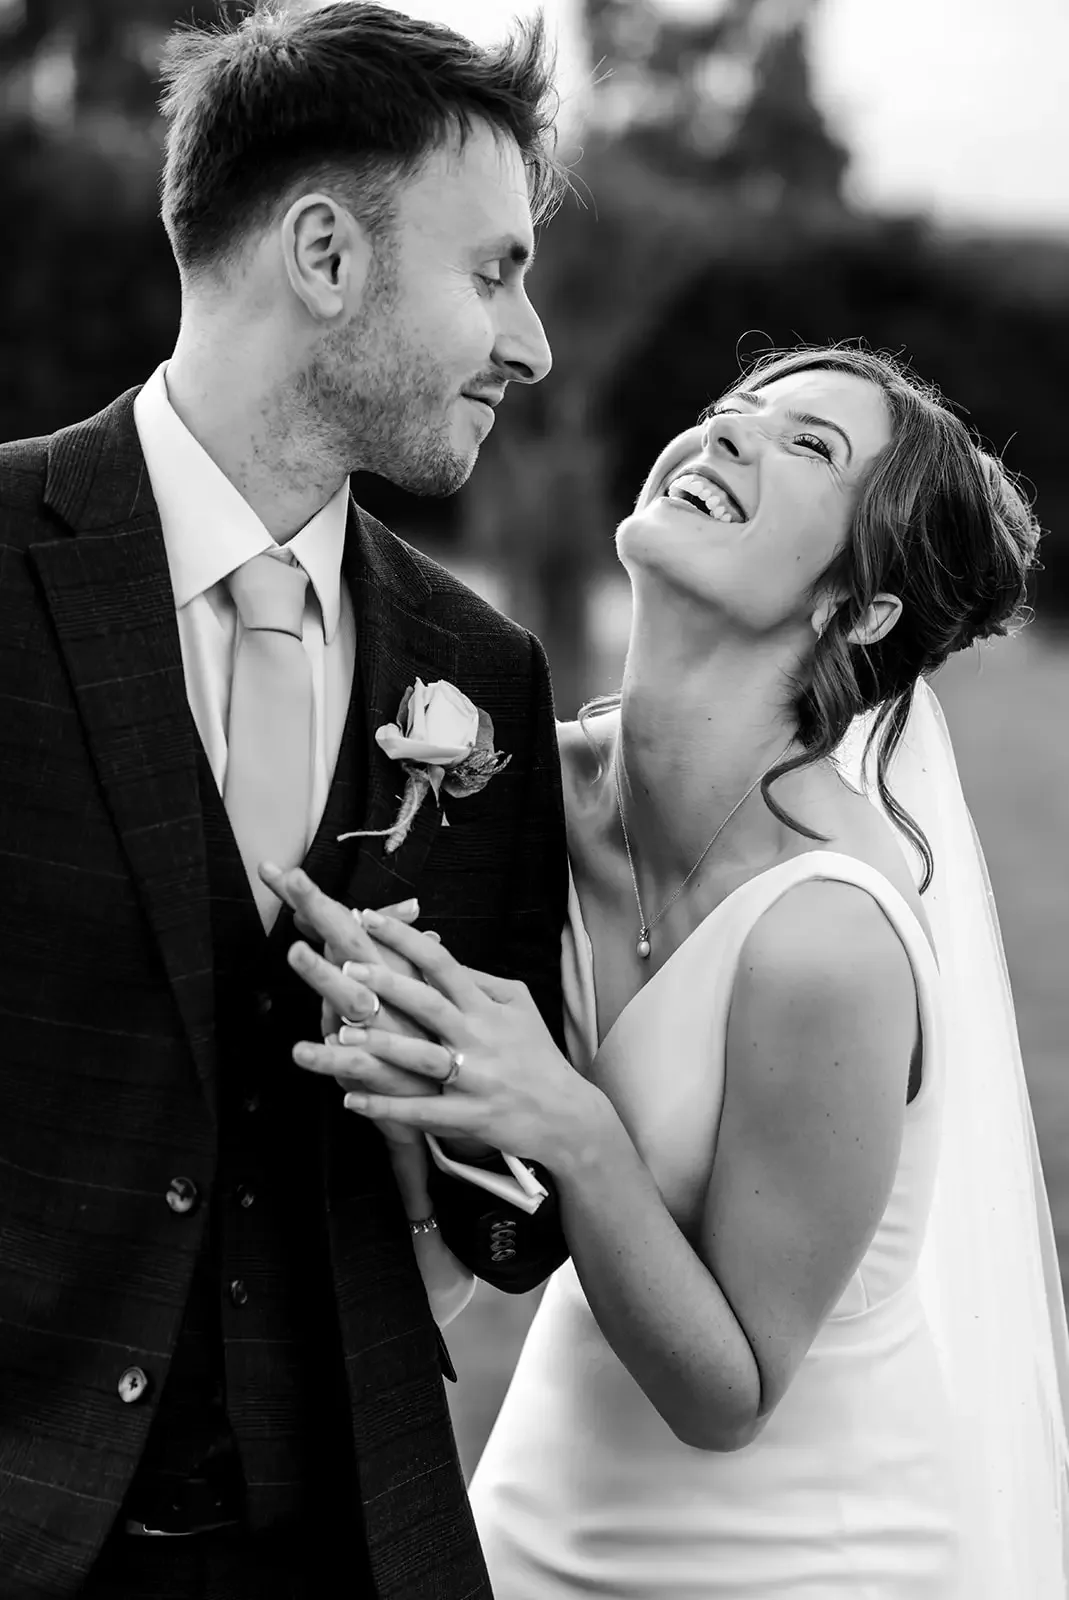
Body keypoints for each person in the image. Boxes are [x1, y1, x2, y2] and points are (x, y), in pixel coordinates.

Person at [281, 345, 1069, 1597]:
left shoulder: (826, 940)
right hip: (546, 1505)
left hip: (805, 1552)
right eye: (733, 411)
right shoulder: (511, 794)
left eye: (811, 446)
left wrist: (567, 1123)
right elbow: (452, 1250)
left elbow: (734, 1390)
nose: (731, 436)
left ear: (857, 610)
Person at [0, 4, 574, 1597]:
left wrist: (487, 1110)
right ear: (325, 255)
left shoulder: (483, 674)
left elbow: (511, 1227)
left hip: (346, 1545)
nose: (532, 347)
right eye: (495, 273)